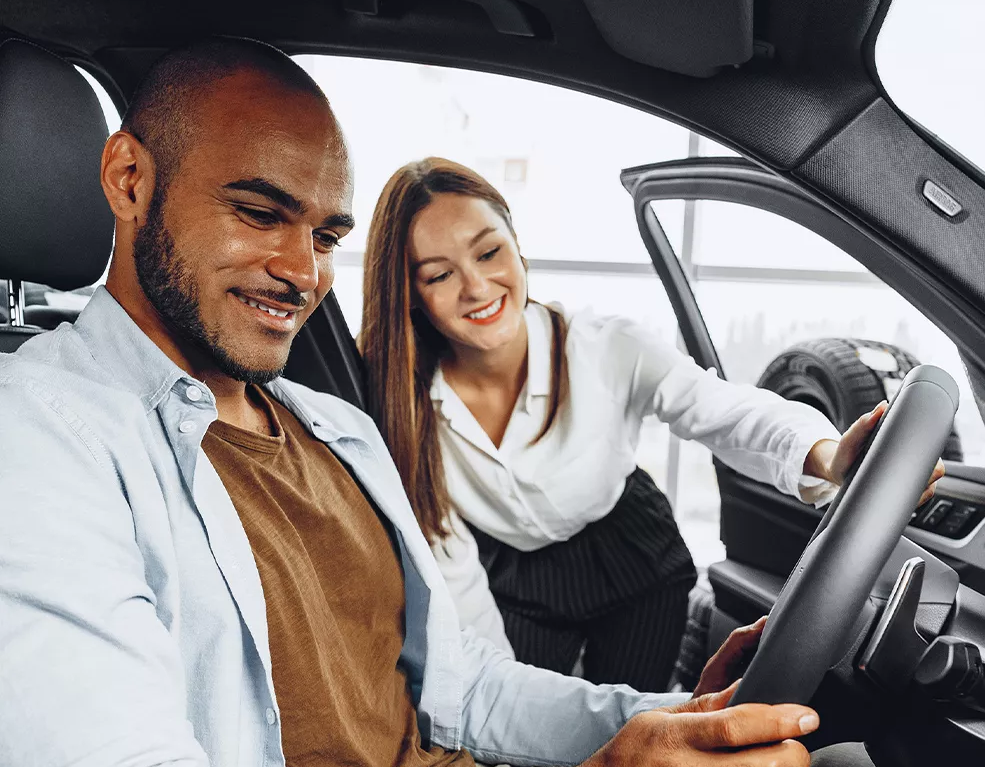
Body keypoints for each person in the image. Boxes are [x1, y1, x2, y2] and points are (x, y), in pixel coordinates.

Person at [0, 36, 979, 767]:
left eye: (326, 235)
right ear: (129, 179)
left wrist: (678, 721)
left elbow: (465, 688)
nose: (302, 272)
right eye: (259, 213)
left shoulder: (330, 428)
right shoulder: (40, 434)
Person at [359, 159, 943, 691]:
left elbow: (725, 410)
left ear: (518, 246)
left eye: (489, 253)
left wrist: (827, 457)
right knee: (525, 716)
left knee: (632, 722)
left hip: (633, 554)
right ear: (410, 294)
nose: (476, 288)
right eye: (439, 275)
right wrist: (498, 710)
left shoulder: (605, 346)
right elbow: (455, 583)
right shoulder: (403, 407)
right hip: (513, 575)